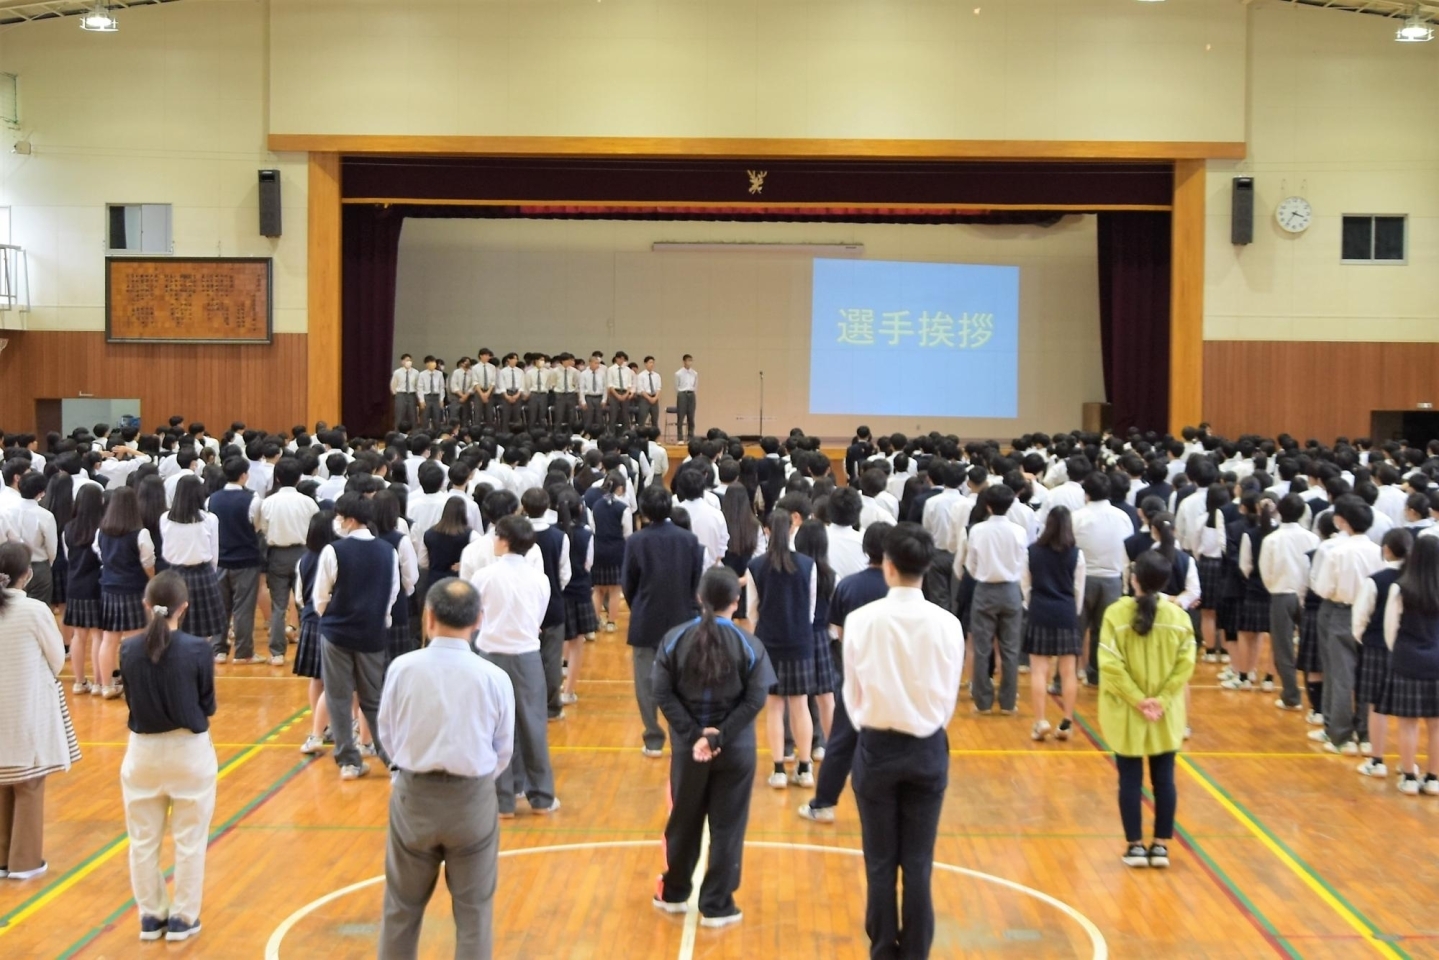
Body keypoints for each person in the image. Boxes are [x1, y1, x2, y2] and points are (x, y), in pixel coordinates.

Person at [843, 522, 964, 960]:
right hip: (928, 747)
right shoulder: (948, 624)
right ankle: (915, 952)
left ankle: (881, 949)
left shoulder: (861, 621)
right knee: (918, 863)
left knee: (879, 862)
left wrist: (871, 721)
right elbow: (948, 694)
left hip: (876, 746)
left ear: (888, 567)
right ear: (927, 567)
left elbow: (851, 693)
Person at [378, 578, 515, 958]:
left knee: (401, 909)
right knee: (474, 916)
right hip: (471, 800)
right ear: (480, 621)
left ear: (429, 616)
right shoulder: (494, 677)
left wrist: (407, 769)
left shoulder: (402, 668)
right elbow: (503, 749)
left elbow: (387, 733)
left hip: (413, 797)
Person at [651, 567, 774, 927]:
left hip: (690, 752)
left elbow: (661, 692)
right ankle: (718, 904)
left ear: (699, 598)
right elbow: (756, 699)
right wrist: (719, 735)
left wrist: (694, 735)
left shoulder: (675, 638)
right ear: (736, 603)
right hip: (735, 751)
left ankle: (674, 892)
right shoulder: (750, 645)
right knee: (728, 826)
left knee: (683, 820)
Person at [119, 571, 217, 942]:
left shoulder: (128, 648)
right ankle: (183, 917)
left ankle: (151, 915)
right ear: (184, 608)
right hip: (188, 750)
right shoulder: (197, 649)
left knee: (143, 840)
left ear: (146, 605)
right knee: (190, 839)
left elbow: (131, 699)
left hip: (142, 751)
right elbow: (207, 703)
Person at [1098, 550, 1196, 869]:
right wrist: (1162, 699)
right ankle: (1162, 846)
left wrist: (1137, 699)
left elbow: (1109, 665)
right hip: (1165, 715)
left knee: (1129, 779)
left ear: (1134, 579)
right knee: (1164, 779)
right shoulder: (1179, 618)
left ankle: (1136, 846)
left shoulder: (1115, 614)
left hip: (1128, 713)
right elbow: (1185, 665)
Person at [798, 521, 891, 825]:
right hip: (894, 675)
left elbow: (836, 629)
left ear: (866, 549)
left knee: (840, 743)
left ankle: (823, 803)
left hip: (858, 675)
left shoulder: (849, 585)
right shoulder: (899, 588)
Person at [469, 515, 559, 816]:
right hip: (526, 656)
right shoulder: (540, 579)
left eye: (497, 535)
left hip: (491, 656)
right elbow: (538, 619)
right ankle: (542, 796)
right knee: (532, 725)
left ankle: (502, 799)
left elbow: (476, 616)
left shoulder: (484, 577)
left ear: (505, 540)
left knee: (493, 728)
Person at [0, 541, 76, 882]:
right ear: (26, 575)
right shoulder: (34, 611)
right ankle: (24, 862)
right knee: (28, 785)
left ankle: (2, 859)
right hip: (24, 708)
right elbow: (58, 660)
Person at [315, 493, 400, 780]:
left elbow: (320, 598)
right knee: (373, 698)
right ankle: (391, 760)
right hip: (372, 633)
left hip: (336, 633)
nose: (337, 522)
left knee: (338, 698)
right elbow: (392, 593)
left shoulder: (333, 550)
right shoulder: (389, 550)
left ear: (350, 520)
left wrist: (334, 615)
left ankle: (348, 762)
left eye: (340, 517)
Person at [622, 485, 705, 758]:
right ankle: (681, 734)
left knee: (646, 682)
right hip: (683, 617)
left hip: (646, 618)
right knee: (682, 680)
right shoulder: (689, 540)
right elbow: (695, 582)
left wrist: (640, 606)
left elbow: (628, 584)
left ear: (644, 511)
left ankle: (653, 738)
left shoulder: (636, 541)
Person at [746, 507, 819, 788]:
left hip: (768, 642)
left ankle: (778, 769)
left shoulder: (756, 566)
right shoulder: (807, 564)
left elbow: (752, 611)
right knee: (800, 705)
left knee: (774, 707)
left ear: (766, 531)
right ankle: (805, 767)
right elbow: (810, 610)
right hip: (800, 640)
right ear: (792, 529)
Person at [1310, 496, 1383, 755]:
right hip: (1372, 616)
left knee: (1341, 675)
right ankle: (1365, 734)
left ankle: (1341, 735)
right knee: (1367, 676)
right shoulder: (1378, 550)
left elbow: (1323, 588)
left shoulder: (1336, 551)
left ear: (1342, 522)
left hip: (1341, 613)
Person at [1379, 535, 1439, 796]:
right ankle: (1434, 778)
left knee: (1408, 723)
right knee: (1436, 724)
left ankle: (1409, 776)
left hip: (1407, 659)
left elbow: (1390, 630)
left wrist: (1401, 653)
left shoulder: (1400, 587)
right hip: (1437, 659)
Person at [1022, 505, 1086, 741]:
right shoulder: (1077, 554)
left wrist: (1033, 605)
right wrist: (1072, 612)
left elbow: (1025, 585)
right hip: (1066, 612)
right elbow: (1079, 589)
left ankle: (1040, 722)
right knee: (1068, 672)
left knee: (1039, 671)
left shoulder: (1032, 551)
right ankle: (1066, 723)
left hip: (1040, 610)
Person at [966, 483, 1030, 716]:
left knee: (982, 649)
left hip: (984, 589)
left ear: (988, 506)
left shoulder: (977, 530)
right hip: (1011, 590)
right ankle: (1008, 702)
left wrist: (983, 574)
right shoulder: (1019, 531)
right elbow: (1023, 563)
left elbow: (971, 565)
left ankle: (983, 703)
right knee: (1010, 650)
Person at [1353, 528, 1411, 779]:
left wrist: (1364, 639)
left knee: (1376, 704)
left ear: (1386, 549)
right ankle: (1408, 764)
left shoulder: (1376, 580)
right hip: (1409, 649)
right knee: (1408, 710)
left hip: (1377, 646)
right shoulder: (1422, 581)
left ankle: (1377, 759)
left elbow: (1359, 620)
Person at [1259, 493, 1320, 712]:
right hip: (1308, 595)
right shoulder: (1312, 538)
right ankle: (1315, 702)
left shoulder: (1272, 539)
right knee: (1310, 647)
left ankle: (1291, 695)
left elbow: (1266, 571)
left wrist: (1275, 588)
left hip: (1281, 594)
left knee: (1283, 647)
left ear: (1279, 511)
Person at [97, 486, 157, 699]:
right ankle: (134, 687)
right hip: (134, 590)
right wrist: (153, 580)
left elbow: (99, 555)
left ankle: (106, 686)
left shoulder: (101, 531)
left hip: (109, 589)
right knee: (135, 641)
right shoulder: (140, 533)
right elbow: (148, 562)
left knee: (109, 640)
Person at [259, 457, 318, 666]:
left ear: (277, 477)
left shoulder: (267, 502)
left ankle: (277, 654)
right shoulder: (308, 502)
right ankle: (310, 650)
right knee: (307, 603)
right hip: (304, 554)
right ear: (299, 477)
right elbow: (315, 528)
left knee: (279, 606)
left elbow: (263, 530)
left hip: (277, 554)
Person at [159, 475, 228, 652]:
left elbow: (166, 549)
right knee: (204, 631)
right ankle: (199, 661)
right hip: (203, 574)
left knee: (175, 623)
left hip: (174, 575)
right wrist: (210, 575)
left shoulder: (165, 518)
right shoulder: (209, 519)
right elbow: (214, 554)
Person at [209, 458, 264, 665]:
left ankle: (218, 650)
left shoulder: (211, 499)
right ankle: (243, 653)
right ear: (244, 475)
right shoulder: (253, 500)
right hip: (246, 561)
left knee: (220, 607)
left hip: (220, 560)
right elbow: (257, 528)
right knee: (243, 608)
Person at [294, 512, 335, 756]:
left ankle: (318, 725)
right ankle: (324, 729)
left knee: (316, 679)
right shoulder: (333, 557)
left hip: (310, 619)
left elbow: (299, 596)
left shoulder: (304, 559)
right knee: (335, 679)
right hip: (329, 620)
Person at [63, 484, 106, 695]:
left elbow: (65, 554)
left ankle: (80, 682)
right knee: (99, 635)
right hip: (96, 584)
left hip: (74, 585)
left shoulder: (68, 527)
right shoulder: (102, 527)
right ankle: (99, 682)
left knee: (78, 636)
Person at [556, 487, 596, 705]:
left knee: (557, 637)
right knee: (576, 642)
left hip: (557, 592)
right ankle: (568, 690)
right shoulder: (586, 533)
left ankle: (555, 681)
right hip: (579, 591)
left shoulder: (552, 532)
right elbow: (588, 564)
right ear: (581, 509)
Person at [391, 354, 421, 429]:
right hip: (401, 395)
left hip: (411, 395)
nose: (409, 362)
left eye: (410, 360)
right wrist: (395, 394)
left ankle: (414, 436)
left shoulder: (416, 372)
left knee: (413, 416)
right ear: (402, 362)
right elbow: (393, 384)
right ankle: (397, 435)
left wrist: (419, 397)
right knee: (399, 416)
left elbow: (418, 386)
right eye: (407, 360)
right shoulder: (397, 372)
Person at [674, 355, 698, 442]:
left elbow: (695, 385)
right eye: (688, 360)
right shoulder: (678, 373)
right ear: (684, 361)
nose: (689, 362)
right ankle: (680, 438)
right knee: (680, 417)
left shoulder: (695, 373)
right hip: (682, 394)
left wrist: (692, 392)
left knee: (691, 417)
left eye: (691, 360)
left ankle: (690, 437)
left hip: (691, 394)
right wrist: (681, 394)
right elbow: (676, 387)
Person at [636, 356, 662, 430]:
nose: (652, 364)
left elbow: (658, 388)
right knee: (642, 419)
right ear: (645, 364)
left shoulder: (657, 376)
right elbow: (641, 389)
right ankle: (641, 438)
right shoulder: (641, 375)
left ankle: (654, 438)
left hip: (654, 398)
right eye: (650, 362)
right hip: (644, 399)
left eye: (653, 362)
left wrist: (655, 398)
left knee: (655, 420)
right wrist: (649, 398)